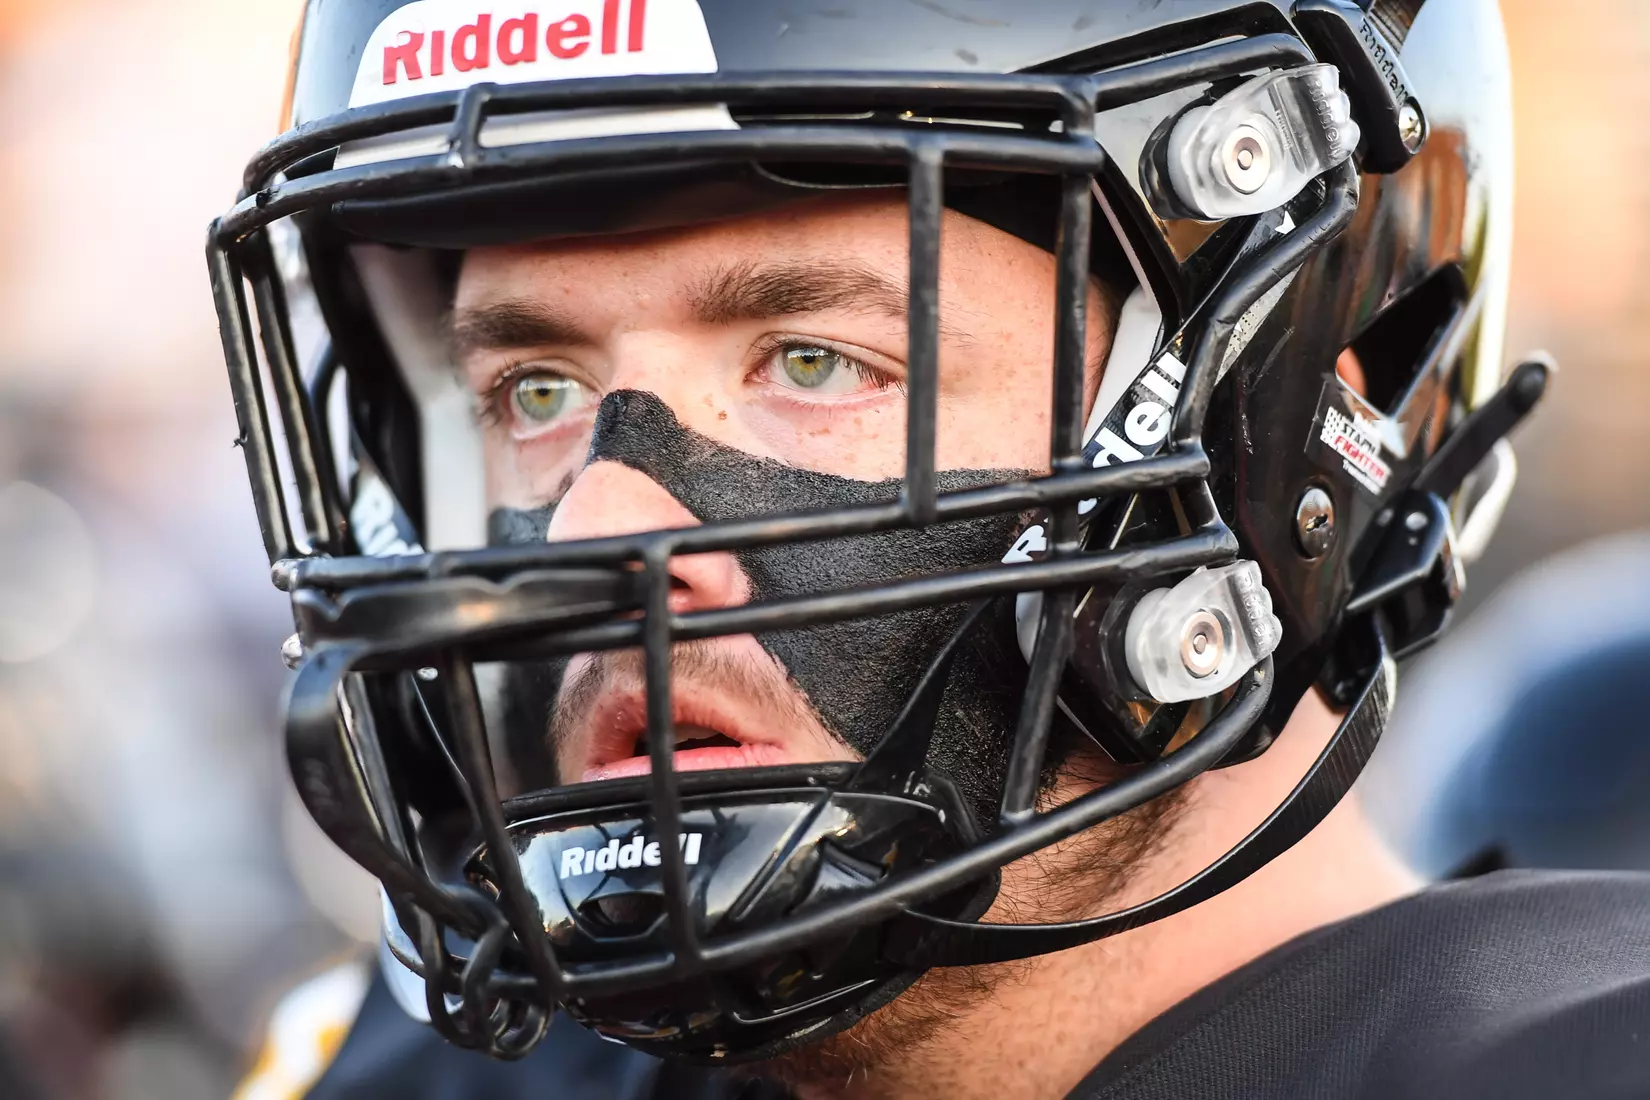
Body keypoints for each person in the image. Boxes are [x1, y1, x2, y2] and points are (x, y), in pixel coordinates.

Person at [214, 1, 1650, 1097]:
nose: (600, 532)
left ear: (1287, 420)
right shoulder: (424, 1065)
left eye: (815, 360)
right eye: (533, 395)